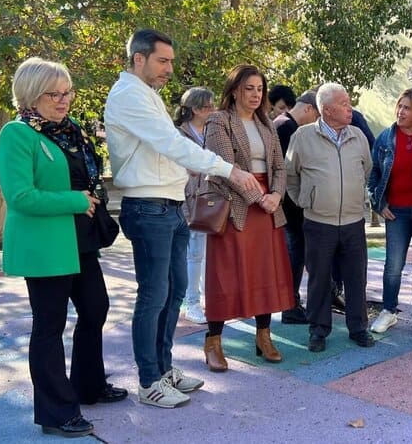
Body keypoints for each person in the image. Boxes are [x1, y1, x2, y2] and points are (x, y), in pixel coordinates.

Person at [104, 29, 259, 408]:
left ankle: (163, 368)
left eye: (171, 61)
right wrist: (230, 170)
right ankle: (148, 381)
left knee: (174, 293)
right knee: (154, 295)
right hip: (148, 207)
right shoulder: (127, 95)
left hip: (171, 206)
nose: (170, 69)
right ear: (138, 59)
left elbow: (167, 151)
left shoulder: (148, 94)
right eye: (163, 61)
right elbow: (172, 144)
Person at [0, 57, 127, 438]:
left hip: (79, 240)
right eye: (53, 94)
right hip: (45, 246)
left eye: (67, 92)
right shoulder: (17, 134)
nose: (63, 99)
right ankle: (56, 412)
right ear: (30, 95)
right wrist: (74, 200)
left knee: (96, 308)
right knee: (49, 326)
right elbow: (20, 196)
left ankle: (89, 385)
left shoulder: (71, 132)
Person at [201, 64, 295, 371]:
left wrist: (276, 195)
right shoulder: (219, 120)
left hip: (268, 205)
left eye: (259, 89)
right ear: (234, 91)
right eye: (248, 89)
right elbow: (224, 167)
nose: (255, 95)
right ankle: (213, 341)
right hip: (234, 206)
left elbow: (279, 166)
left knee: (265, 272)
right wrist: (260, 198)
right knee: (225, 274)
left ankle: (263, 336)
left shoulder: (266, 122)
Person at [285, 82, 374, 353]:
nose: (350, 108)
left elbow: (367, 169)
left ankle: (358, 328)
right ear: (326, 110)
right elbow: (290, 175)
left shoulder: (358, 135)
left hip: (353, 221)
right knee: (319, 278)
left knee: (356, 278)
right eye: (344, 103)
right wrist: (306, 200)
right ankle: (318, 330)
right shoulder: (302, 136)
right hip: (318, 222)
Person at [368, 88, 412, 337]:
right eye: (400, 106)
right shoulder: (386, 137)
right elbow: (373, 173)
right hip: (395, 212)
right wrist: (379, 203)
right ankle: (389, 311)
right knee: (393, 265)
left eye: (407, 107)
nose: (401, 111)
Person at [273, 90, 321, 324]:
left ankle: (291, 302)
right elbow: (288, 168)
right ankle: (289, 305)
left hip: (289, 202)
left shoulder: (283, 124)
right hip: (290, 204)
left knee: (296, 253)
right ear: (309, 108)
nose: (316, 122)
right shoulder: (286, 127)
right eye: (317, 116)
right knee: (295, 253)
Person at [174, 86, 217, 324]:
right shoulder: (178, 134)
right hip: (187, 198)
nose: (213, 110)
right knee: (194, 253)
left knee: (208, 252)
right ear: (196, 109)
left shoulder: (213, 131)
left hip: (211, 197)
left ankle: (208, 299)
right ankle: (192, 302)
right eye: (208, 106)